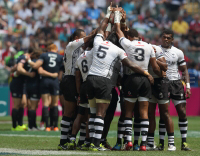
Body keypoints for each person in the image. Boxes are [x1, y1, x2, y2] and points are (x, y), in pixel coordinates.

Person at [86, 5, 153, 151]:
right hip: (105, 81)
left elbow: (102, 28)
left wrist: (109, 13)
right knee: (102, 114)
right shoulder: (118, 49)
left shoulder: (97, 42)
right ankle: (97, 143)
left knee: (91, 113)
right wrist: (146, 73)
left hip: (90, 79)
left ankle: (88, 141)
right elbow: (132, 64)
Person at [115, 7, 160, 151]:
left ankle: (128, 141)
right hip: (146, 80)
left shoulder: (128, 44)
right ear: (139, 36)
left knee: (128, 112)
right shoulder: (149, 46)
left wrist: (117, 17)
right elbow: (155, 66)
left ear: (129, 37)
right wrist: (161, 74)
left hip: (132, 79)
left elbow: (117, 31)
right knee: (144, 113)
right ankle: (143, 144)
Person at [58, 28, 97, 150]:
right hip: (70, 79)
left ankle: (76, 141)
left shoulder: (82, 50)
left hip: (76, 80)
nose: (86, 38)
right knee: (69, 112)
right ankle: (63, 142)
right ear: (77, 38)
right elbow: (90, 36)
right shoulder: (71, 45)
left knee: (79, 112)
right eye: (83, 36)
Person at [159, 29, 191, 151]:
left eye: (168, 37)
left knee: (182, 112)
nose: (166, 39)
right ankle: (161, 143)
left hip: (177, 84)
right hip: (163, 83)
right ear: (161, 37)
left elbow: (184, 70)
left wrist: (187, 86)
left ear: (172, 39)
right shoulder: (156, 49)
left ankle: (184, 143)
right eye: (164, 37)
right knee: (164, 114)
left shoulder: (178, 52)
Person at [27, 44, 63, 132]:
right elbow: (61, 74)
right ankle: (55, 126)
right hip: (55, 81)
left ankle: (47, 126)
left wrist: (28, 60)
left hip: (44, 81)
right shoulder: (60, 57)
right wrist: (56, 77)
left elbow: (35, 66)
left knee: (46, 104)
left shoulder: (44, 55)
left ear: (48, 49)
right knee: (54, 104)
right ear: (56, 49)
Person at [146, 44, 176, 151]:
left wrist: (152, 57)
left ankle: (171, 143)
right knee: (150, 113)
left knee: (165, 113)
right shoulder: (143, 49)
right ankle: (150, 143)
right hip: (149, 83)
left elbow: (164, 67)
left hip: (160, 83)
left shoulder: (156, 49)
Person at [68, 39, 94, 150]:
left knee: (80, 114)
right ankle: (87, 141)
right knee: (90, 115)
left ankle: (72, 139)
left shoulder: (80, 57)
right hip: (92, 84)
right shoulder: (94, 55)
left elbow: (77, 78)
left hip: (83, 86)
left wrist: (79, 92)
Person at [17, 49, 43, 131]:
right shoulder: (36, 62)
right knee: (33, 107)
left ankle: (30, 126)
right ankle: (32, 126)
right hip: (35, 86)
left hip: (26, 85)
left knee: (29, 107)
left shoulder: (25, 62)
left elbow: (20, 70)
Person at [10, 49, 34, 131]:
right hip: (17, 84)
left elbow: (14, 70)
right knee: (16, 105)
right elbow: (19, 69)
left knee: (22, 104)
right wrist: (29, 74)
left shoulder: (25, 58)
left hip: (21, 84)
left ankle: (20, 124)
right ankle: (14, 126)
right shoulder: (23, 57)